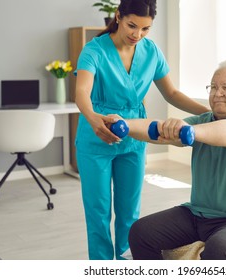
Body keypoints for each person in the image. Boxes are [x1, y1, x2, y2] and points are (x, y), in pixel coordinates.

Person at [74, 0, 209, 260]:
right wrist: (93, 120)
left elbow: (172, 93)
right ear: (118, 17)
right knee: (98, 212)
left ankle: (127, 265)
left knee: (129, 211)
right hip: (97, 138)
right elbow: (82, 94)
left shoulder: (151, 52)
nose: (137, 34)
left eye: (146, 28)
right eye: (132, 25)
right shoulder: (94, 50)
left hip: (135, 138)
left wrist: (207, 114)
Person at [124, 59, 226, 259]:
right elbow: (158, 131)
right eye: (213, 87)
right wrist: (125, 125)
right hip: (197, 214)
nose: (217, 93)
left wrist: (190, 131)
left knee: (220, 247)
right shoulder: (204, 121)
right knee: (140, 232)